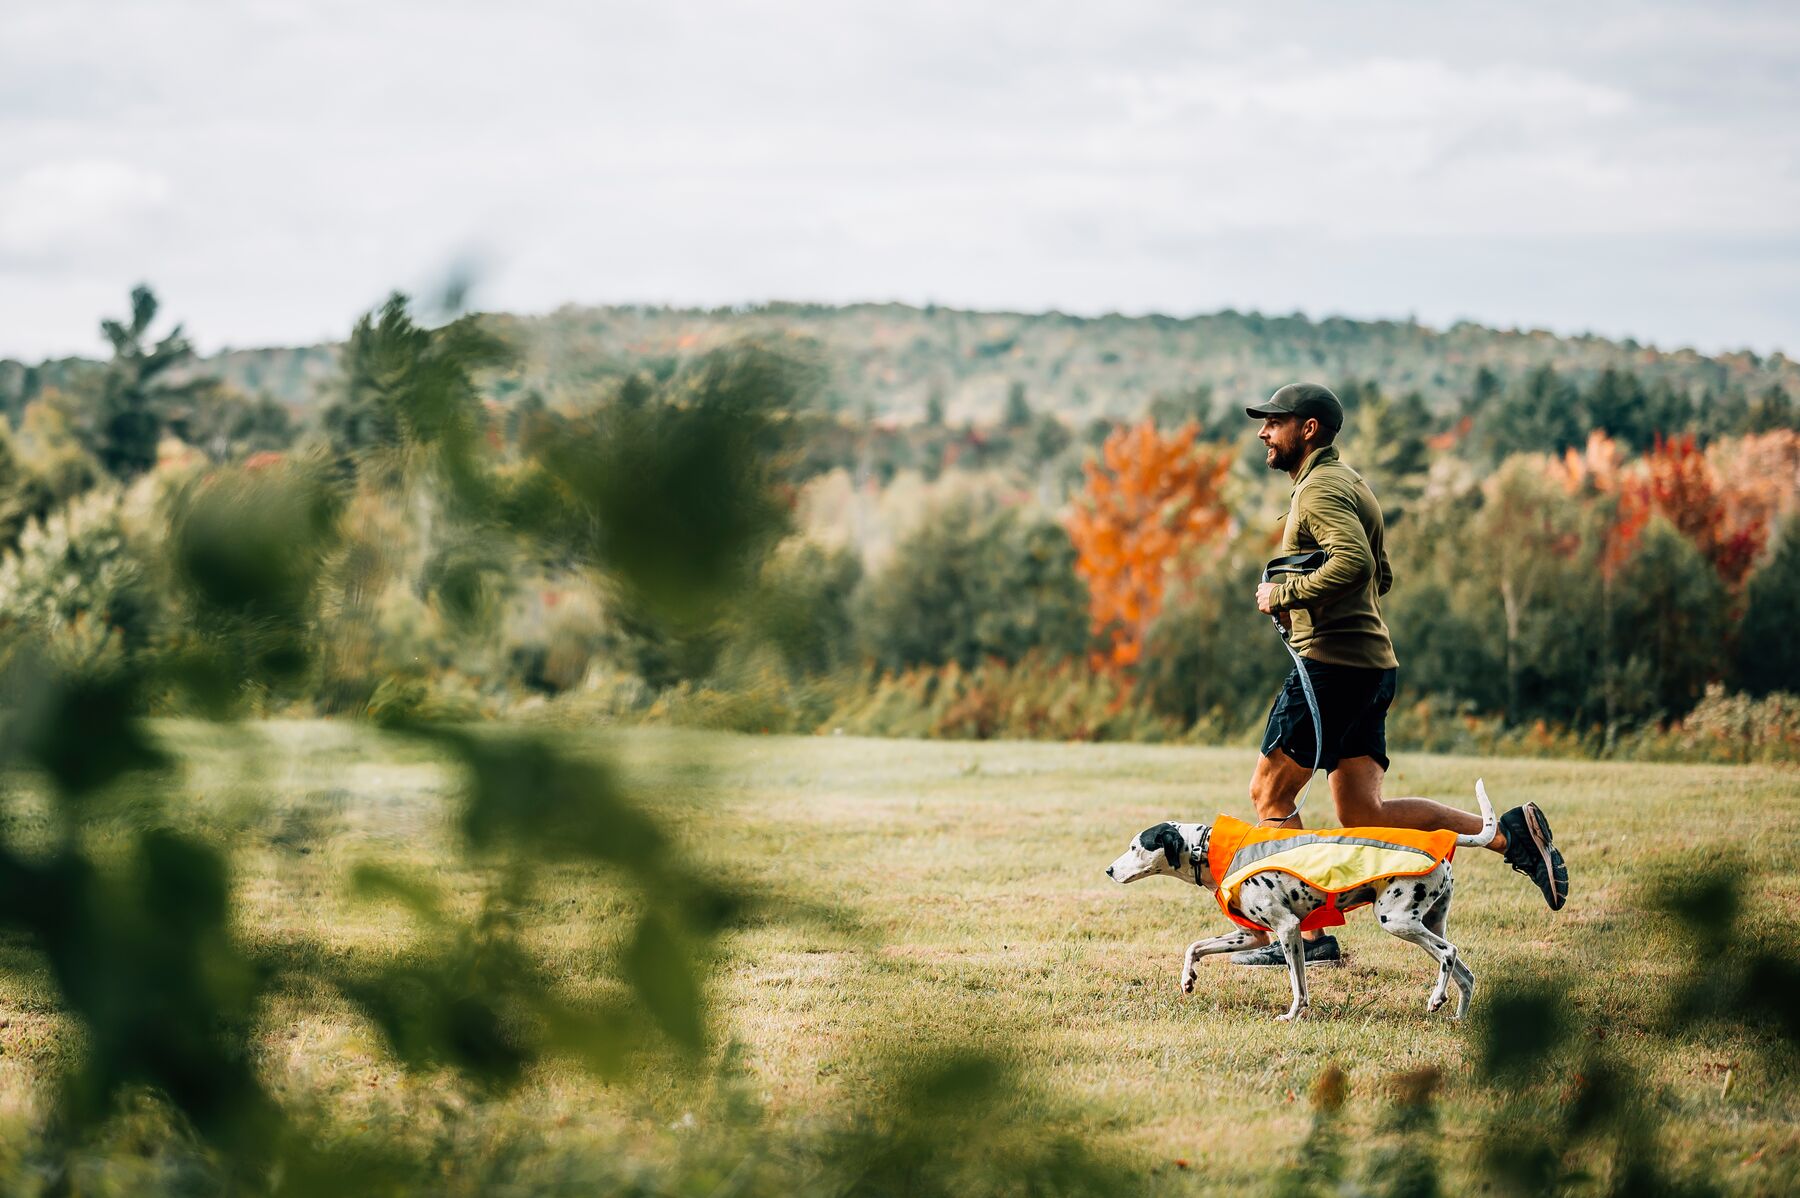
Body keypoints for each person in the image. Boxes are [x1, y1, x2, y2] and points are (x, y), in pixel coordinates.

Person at [1228, 383, 1569, 968]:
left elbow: (1357, 565)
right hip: (1369, 668)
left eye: (1275, 422)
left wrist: (1284, 592)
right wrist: (1315, 600)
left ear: (1308, 429)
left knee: (1270, 793)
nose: (1264, 431)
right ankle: (1511, 835)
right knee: (1367, 817)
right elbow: (1378, 576)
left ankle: (1308, 937)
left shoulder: (1320, 491)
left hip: (1332, 670)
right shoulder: (1351, 483)